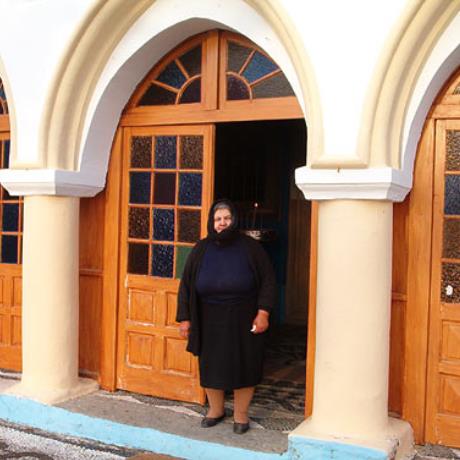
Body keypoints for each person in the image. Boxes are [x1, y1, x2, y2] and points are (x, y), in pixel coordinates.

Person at [176, 199, 276, 434]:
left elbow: (268, 281)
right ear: (213, 222)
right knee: (211, 365)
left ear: (234, 220)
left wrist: (263, 313)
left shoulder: (251, 248)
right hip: (208, 317)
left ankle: (241, 415)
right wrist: (185, 319)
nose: (223, 223)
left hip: (244, 317)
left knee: (245, 365)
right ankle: (216, 410)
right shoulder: (201, 248)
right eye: (218, 219)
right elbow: (187, 285)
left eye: (227, 218)